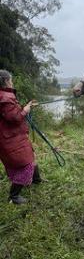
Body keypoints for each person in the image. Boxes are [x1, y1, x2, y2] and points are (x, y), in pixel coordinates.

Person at [0, 69, 42, 204]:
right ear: (6, 81)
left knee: (30, 157)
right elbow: (15, 117)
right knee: (25, 164)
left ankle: (36, 180)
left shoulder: (4, 96)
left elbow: (12, 113)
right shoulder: (5, 98)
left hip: (13, 136)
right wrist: (25, 110)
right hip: (10, 138)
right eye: (11, 80)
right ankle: (14, 196)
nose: (12, 82)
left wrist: (26, 107)